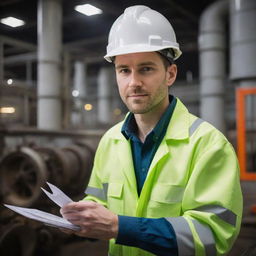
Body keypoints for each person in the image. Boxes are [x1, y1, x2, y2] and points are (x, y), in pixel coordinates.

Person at [60, 5, 243, 256]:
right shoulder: (110, 140)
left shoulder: (208, 144)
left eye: (146, 69)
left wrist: (119, 226)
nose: (133, 82)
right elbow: (99, 201)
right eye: (124, 70)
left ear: (170, 74)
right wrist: (81, 217)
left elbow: (214, 234)